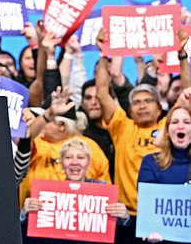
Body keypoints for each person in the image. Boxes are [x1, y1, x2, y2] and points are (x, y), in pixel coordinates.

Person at [95, 28, 172, 241]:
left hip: (162, 218)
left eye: (148, 101)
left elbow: (187, 93)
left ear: (159, 107)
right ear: (129, 110)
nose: (142, 106)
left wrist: (182, 57)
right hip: (126, 217)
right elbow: (102, 92)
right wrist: (103, 55)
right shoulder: (122, 126)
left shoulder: (170, 126)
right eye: (136, 102)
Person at [21, 137, 130, 243]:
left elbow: (122, 227)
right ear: (62, 163)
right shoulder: (47, 193)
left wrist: (124, 216)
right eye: (68, 157)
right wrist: (24, 213)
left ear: (88, 163)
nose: (74, 162)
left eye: (81, 157)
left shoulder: (102, 190)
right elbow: (27, 231)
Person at [18, 86, 111, 209]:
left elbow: (105, 193)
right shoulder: (38, 143)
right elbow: (26, 139)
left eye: (48, 121)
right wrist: (47, 115)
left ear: (61, 125)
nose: (39, 123)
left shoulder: (90, 147)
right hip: (35, 221)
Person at [136, 104, 191, 243]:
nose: (180, 126)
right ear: (167, 130)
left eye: (187, 122)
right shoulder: (150, 163)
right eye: (174, 122)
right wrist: (150, 229)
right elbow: (148, 208)